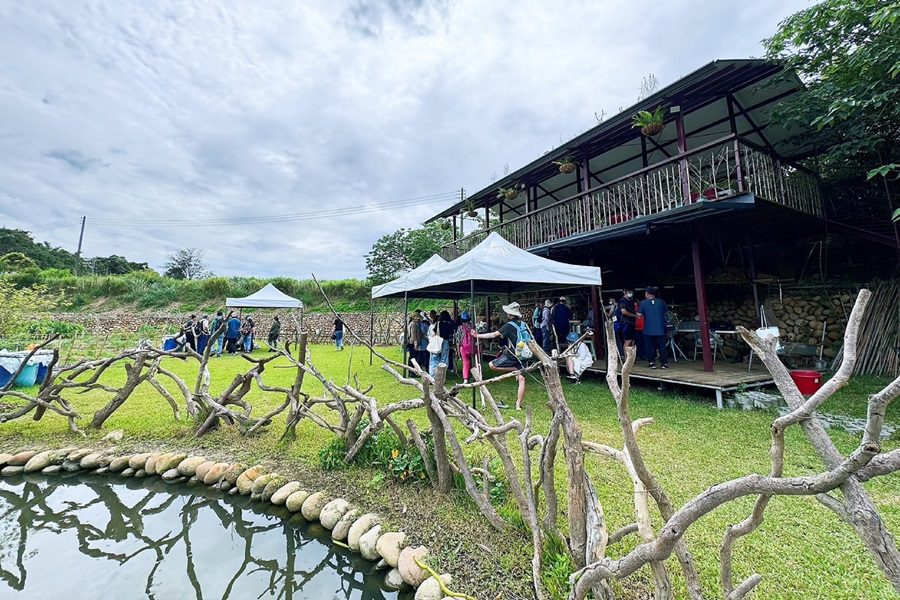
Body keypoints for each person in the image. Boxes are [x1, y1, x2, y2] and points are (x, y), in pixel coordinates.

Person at [473, 302, 531, 410]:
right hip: (524, 353)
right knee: (522, 379)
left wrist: (478, 335)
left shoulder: (508, 326)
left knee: (492, 365)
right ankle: (518, 405)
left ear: (509, 314)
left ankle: (515, 369)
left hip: (513, 354)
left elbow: (494, 334)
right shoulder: (523, 324)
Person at [639, 286, 668, 369]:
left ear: (647, 293)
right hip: (660, 329)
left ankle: (652, 362)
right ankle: (664, 364)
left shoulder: (643, 303)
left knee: (650, 347)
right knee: (662, 347)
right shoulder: (661, 302)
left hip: (648, 329)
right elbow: (666, 313)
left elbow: (639, 315)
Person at [428, 310, 453, 376]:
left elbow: (434, 333)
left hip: (437, 341)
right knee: (444, 360)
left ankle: (432, 375)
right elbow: (451, 334)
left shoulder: (438, 323)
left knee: (434, 359)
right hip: (445, 342)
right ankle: (441, 376)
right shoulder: (449, 324)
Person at [455, 311, 476, 383]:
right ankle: (475, 376)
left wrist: (457, 350)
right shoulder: (473, 326)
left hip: (463, 348)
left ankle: (465, 379)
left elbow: (458, 340)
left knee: (465, 362)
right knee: (475, 362)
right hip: (473, 347)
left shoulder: (460, 328)